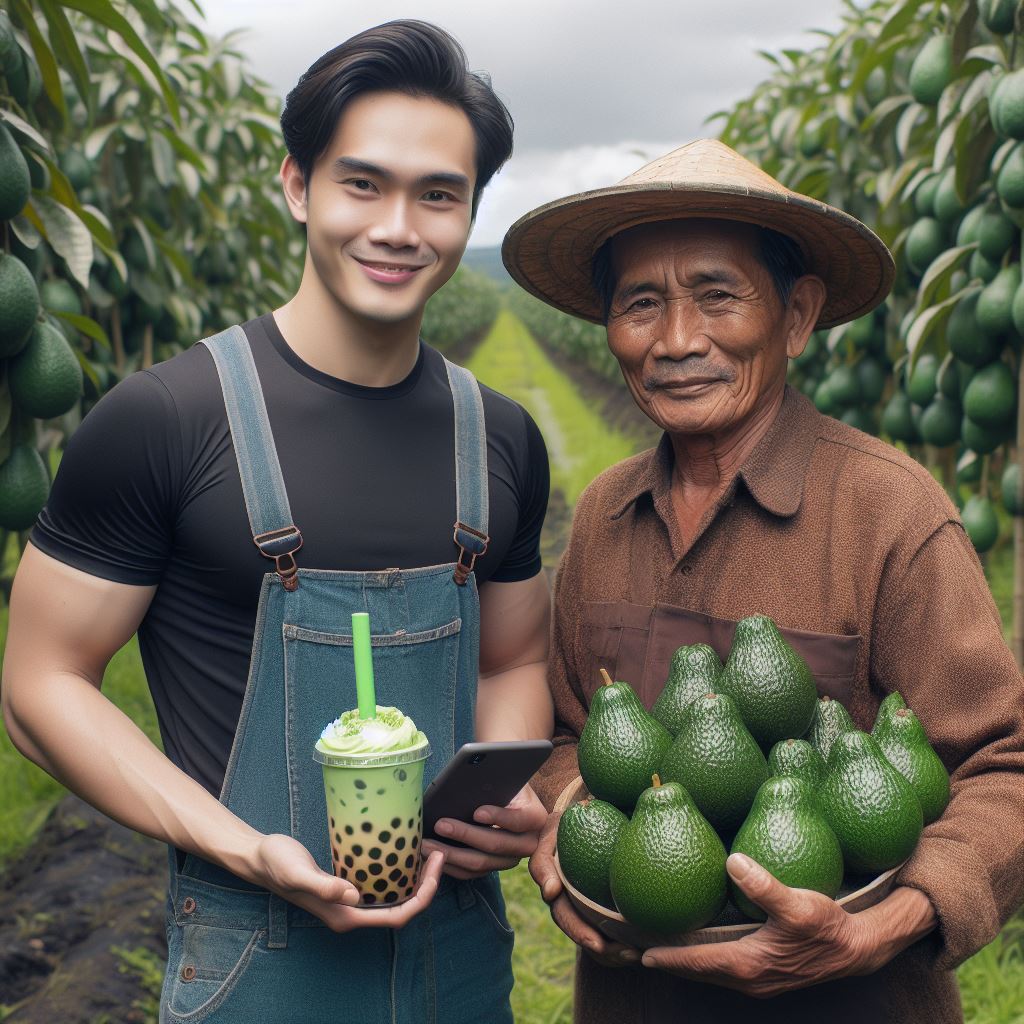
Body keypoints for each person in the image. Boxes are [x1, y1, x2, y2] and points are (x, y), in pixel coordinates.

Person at [2, 20, 552, 1024]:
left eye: (438, 195)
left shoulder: (500, 438)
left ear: (469, 206)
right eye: (362, 184)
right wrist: (239, 845)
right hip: (255, 954)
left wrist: (494, 796)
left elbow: (514, 658)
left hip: (460, 956)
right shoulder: (167, 420)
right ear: (297, 187)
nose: (398, 227)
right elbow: (39, 684)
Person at [502, 138, 1024, 1024]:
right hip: (634, 997)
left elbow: (1005, 765)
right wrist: (566, 818)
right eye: (641, 305)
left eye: (716, 296)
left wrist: (890, 919)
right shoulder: (602, 514)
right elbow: (566, 735)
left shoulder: (890, 513)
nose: (676, 340)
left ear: (795, 314)